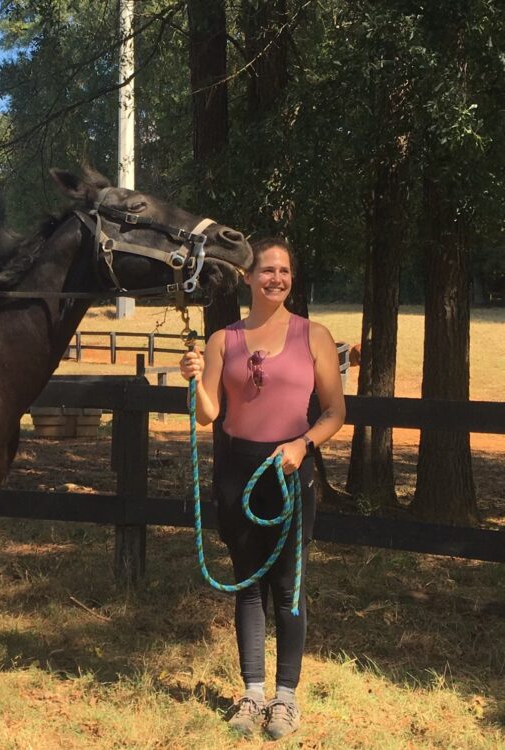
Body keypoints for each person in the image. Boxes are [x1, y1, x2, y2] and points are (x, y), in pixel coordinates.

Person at [179, 237, 346, 740]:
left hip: (291, 469)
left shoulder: (314, 336)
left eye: (285, 270)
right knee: (248, 585)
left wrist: (304, 445)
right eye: (267, 270)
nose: (276, 277)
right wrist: (195, 382)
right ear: (248, 278)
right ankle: (253, 693)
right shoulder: (221, 340)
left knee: (289, 588)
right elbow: (210, 414)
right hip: (237, 469)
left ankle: (285, 697)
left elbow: (337, 412)